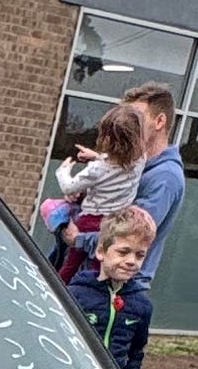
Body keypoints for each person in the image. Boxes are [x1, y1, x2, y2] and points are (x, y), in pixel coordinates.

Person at [110, 82, 188, 369]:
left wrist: (78, 237)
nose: (128, 124)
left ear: (160, 121)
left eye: (137, 118)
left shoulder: (165, 177)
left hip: (121, 288)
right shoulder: (135, 167)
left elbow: (130, 234)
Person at [42, 99, 150, 284]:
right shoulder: (140, 160)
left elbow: (69, 187)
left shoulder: (98, 169)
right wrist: (96, 156)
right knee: (98, 263)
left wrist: (62, 171)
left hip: (90, 220)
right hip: (114, 221)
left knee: (71, 263)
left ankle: (58, 287)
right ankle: (94, 286)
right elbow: (119, 162)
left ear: (106, 138)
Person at [65, 204, 157, 369]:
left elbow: (136, 352)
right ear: (101, 251)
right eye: (123, 252)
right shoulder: (74, 295)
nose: (131, 261)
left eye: (139, 255)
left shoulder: (142, 305)